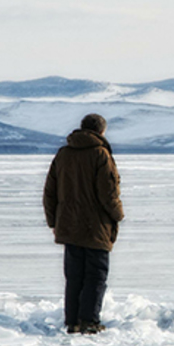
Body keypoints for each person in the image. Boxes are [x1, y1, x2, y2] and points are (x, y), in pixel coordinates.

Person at [43, 114, 124, 334]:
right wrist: (118, 215)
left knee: (74, 276)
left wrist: (54, 221)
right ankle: (89, 321)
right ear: (102, 132)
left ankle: (73, 321)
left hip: (68, 226)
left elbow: (49, 192)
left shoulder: (63, 154)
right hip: (95, 226)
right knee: (96, 276)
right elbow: (108, 193)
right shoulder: (101, 154)